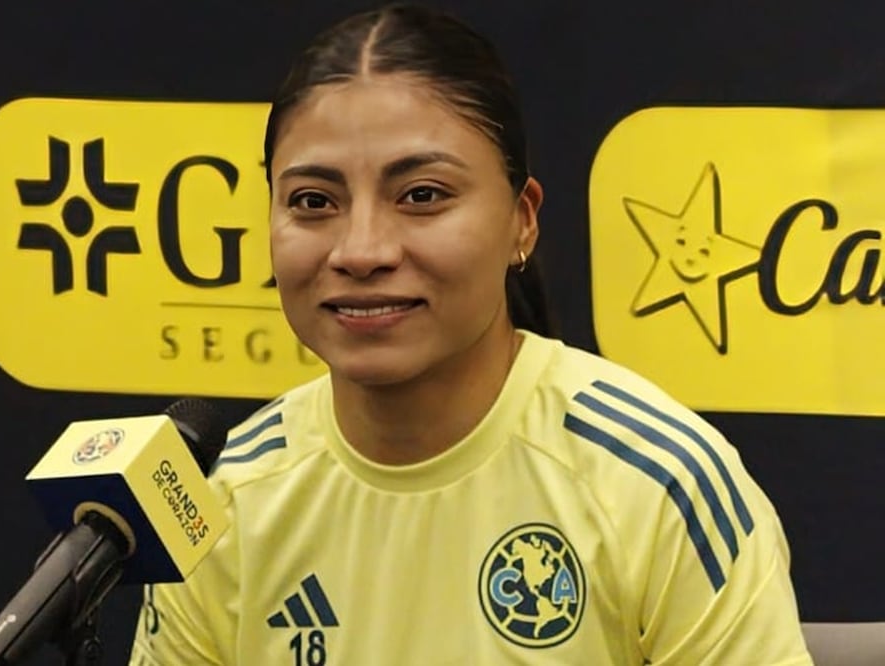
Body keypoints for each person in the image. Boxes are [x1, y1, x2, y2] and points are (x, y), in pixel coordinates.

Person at [129, 4, 813, 664]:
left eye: (421, 195)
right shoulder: (227, 501)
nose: (361, 250)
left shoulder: (657, 482)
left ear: (522, 220)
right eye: (313, 202)